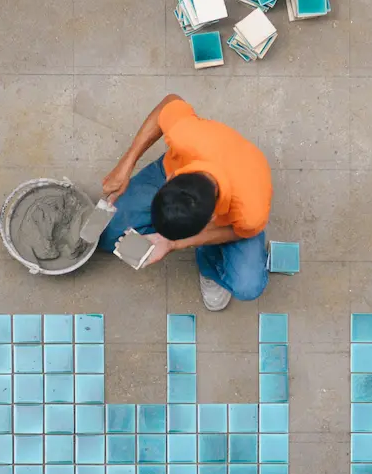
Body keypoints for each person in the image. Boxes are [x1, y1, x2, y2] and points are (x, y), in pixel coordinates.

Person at [98, 94, 272, 311]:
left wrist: (173, 244)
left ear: (212, 219)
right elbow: (169, 102)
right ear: (170, 178)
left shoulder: (250, 211)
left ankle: (210, 268)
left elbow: (236, 232)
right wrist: (126, 164)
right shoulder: (186, 136)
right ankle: (173, 225)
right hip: (193, 158)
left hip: (243, 198)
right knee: (105, 235)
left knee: (248, 285)